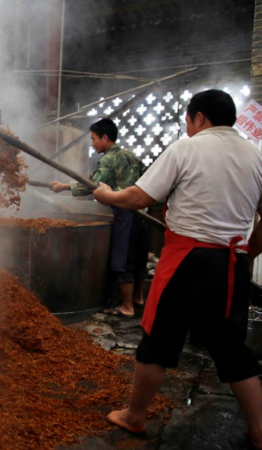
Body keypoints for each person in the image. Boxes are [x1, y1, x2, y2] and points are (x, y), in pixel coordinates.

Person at [93, 90, 262, 448]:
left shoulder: (187, 147)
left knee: (159, 339)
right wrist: (249, 252)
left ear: (198, 118)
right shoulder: (255, 154)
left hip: (189, 261)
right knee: (232, 349)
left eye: (188, 120)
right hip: (234, 264)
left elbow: (140, 197)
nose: (187, 127)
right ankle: (260, 431)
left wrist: (106, 195)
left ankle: (134, 416)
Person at [50, 119, 148, 317]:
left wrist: (63, 187)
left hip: (125, 212)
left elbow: (92, 185)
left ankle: (126, 306)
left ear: (105, 137)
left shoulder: (108, 159)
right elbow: (147, 178)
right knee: (139, 257)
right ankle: (138, 298)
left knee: (123, 258)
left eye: (94, 139)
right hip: (141, 213)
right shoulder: (132, 156)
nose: (92, 143)